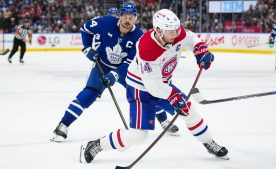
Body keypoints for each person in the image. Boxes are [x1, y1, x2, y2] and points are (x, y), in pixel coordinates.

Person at [80, 9, 228, 163]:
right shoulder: (147, 48)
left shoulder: (175, 32)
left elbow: (191, 39)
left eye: (177, 29)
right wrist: (173, 96)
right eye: (171, 31)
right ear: (158, 30)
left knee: (189, 111)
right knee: (138, 136)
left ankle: (209, 142)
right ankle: (97, 144)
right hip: (140, 90)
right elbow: (153, 86)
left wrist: (200, 51)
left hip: (163, 85)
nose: (176, 34)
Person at [50, 3, 179, 143]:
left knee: (146, 94)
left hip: (126, 71)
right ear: (120, 16)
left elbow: (131, 63)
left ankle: (164, 121)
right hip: (102, 65)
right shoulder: (105, 22)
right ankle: (63, 125)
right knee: (89, 93)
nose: (127, 20)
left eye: (131, 17)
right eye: (125, 16)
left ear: (135, 18)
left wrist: (115, 75)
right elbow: (85, 29)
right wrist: (87, 48)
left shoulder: (139, 37)